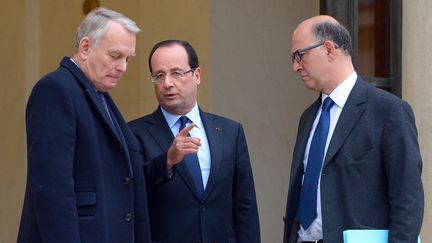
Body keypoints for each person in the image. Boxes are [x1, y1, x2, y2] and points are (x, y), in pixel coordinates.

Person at [283, 15, 424, 243]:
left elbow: (408, 201)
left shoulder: (388, 111)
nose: (295, 66)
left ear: (328, 49)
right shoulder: (308, 118)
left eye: (300, 55)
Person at [17, 7, 151, 243]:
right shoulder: (55, 89)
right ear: (86, 47)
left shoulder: (98, 93)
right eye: (115, 55)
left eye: (128, 59)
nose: (123, 67)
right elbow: (52, 191)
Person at [128, 39, 260, 243]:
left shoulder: (229, 132)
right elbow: (131, 195)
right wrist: (167, 161)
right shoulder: (134, 133)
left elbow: (245, 207)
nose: (167, 83)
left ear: (196, 75)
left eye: (176, 73)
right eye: (159, 76)